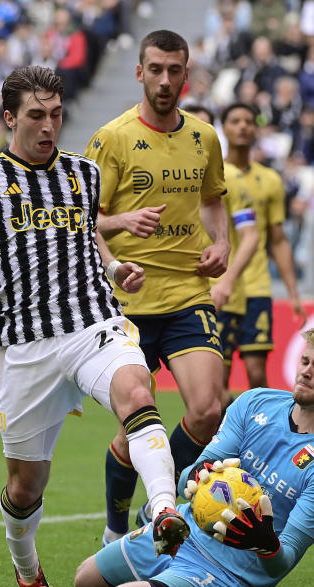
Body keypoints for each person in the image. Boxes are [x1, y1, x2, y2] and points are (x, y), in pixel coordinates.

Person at [0, 65, 189, 587]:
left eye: (56, 114)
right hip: (23, 345)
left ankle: (164, 511)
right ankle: (29, 574)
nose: (49, 125)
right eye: (36, 115)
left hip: (91, 322)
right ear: (10, 117)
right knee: (26, 486)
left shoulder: (84, 174)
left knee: (135, 389)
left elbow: (84, 233)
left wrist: (116, 269)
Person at [26, 328, 314, 587]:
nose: (306, 372)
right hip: (184, 534)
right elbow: (192, 474)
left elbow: (282, 561)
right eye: (305, 361)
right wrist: (196, 475)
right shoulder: (255, 403)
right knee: (86, 574)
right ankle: (138, 583)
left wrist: (266, 544)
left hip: (230, 577)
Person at [84, 30, 231, 544]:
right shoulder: (111, 139)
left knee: (210, 410)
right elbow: (83, 221)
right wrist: (118, 252)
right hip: (126, 301)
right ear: (139, 72)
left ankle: (158, 506)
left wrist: (223, 243)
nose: (165, 80)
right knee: (134, 428)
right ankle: (113, 528)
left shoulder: (205, 137)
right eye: (156, 69)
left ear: (186, 75)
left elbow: (214, 199)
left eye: (175, 70)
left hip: (188, 292)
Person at [212, 103, 307, 401]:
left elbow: (277, 239)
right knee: (219, 379)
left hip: (256, 285)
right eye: (235, 120)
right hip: (219, 286)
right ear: (224, 129)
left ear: (256, 129)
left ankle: (259, 441)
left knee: (256, 374)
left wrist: (292, 291)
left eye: (248, 121)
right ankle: (222, 444)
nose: (242, 126)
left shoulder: (270, 180)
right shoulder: (212, 175)